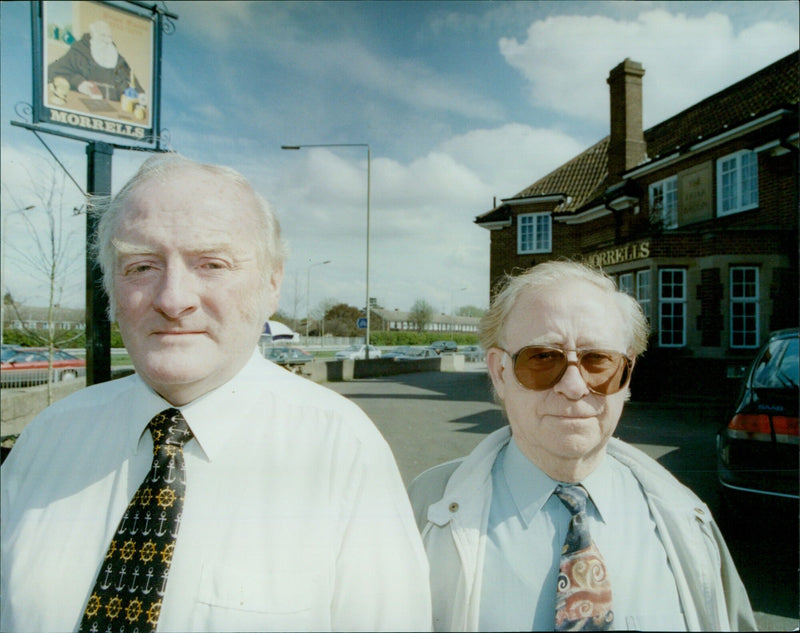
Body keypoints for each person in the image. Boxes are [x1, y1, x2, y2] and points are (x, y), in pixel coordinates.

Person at [0, 153, 432, 632]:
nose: (172, 299)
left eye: (211, 264)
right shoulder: (48, 439)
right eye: (141, 266)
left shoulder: (343, 451)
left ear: (271, 284)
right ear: (110, 289)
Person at [408, 261, 755, 632]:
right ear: (499, 372)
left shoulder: (686, 518)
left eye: (599, 360)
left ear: (627, 374)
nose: (574, 385)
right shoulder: (425, 513)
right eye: (542, 358)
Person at [48, 20, 145, 103]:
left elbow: (131, 81)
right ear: (93, 35)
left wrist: (139, 94)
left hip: (114, 111)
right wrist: (79, 82)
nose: (107, 40)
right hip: (83, 107)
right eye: (103, 35)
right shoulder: (78, 52)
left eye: (109, 36)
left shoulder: (117, 59)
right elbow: (53, 71)